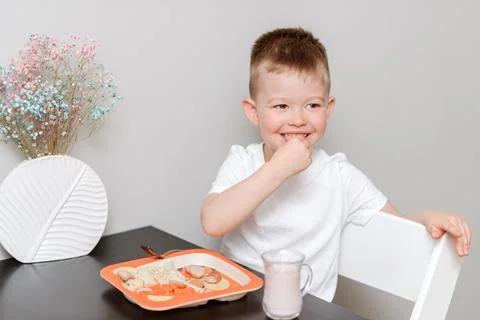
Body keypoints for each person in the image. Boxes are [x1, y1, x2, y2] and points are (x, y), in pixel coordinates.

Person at [200, 27, 471, 302]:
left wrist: (424, 220)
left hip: (304, 310)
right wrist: (278, 169)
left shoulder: (340, 177)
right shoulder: (243, 162)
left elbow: (394, 226)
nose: (297, 119)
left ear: (328, 108)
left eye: (312, 106)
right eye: (281, 106)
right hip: (236, 303)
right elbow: (213, 222)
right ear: (253, 112)